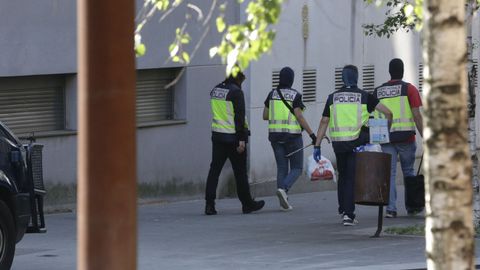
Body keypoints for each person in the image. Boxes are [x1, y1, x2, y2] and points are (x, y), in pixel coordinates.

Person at [313, 65, 392, 226]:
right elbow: (388, 113)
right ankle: (348, 215)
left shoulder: (332, 97)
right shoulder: (365, 96)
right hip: (356, 142)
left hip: (338, 144)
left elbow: (324, 121)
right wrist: (385, 130)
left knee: (343, 175)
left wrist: (317, 145)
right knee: (350, 177)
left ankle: (342, 208)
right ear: (356, 77)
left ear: (342, 78)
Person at [204, 71, 265, 215]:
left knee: (214, 171)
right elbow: (239, 117)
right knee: (240, 173)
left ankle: (209, 205)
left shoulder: (216, 90)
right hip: (233, 138)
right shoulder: (236, 92)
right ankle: (247, 204)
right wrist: (242, 139)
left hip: (218, 136)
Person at [373, 58, 424, 218]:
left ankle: (391, 209)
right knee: (408, 171)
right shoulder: (410, 89)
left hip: (386, 138)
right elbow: (417, 115)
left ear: (389, 72)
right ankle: (412, 207)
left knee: (390, 173)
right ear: (402, 71)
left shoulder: (378, 91)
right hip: (406, 138)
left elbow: (374, 116)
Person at [263, 67, 317, 211]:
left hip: (275, 136)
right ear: (291, 79)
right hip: (292, 136)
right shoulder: (295, 95)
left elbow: (265, 115)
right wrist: (312, 134)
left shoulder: (272, 94)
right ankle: (284, 189)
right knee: (297, 168)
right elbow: (299, 116)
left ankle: (283, 201)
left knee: (282, 167)